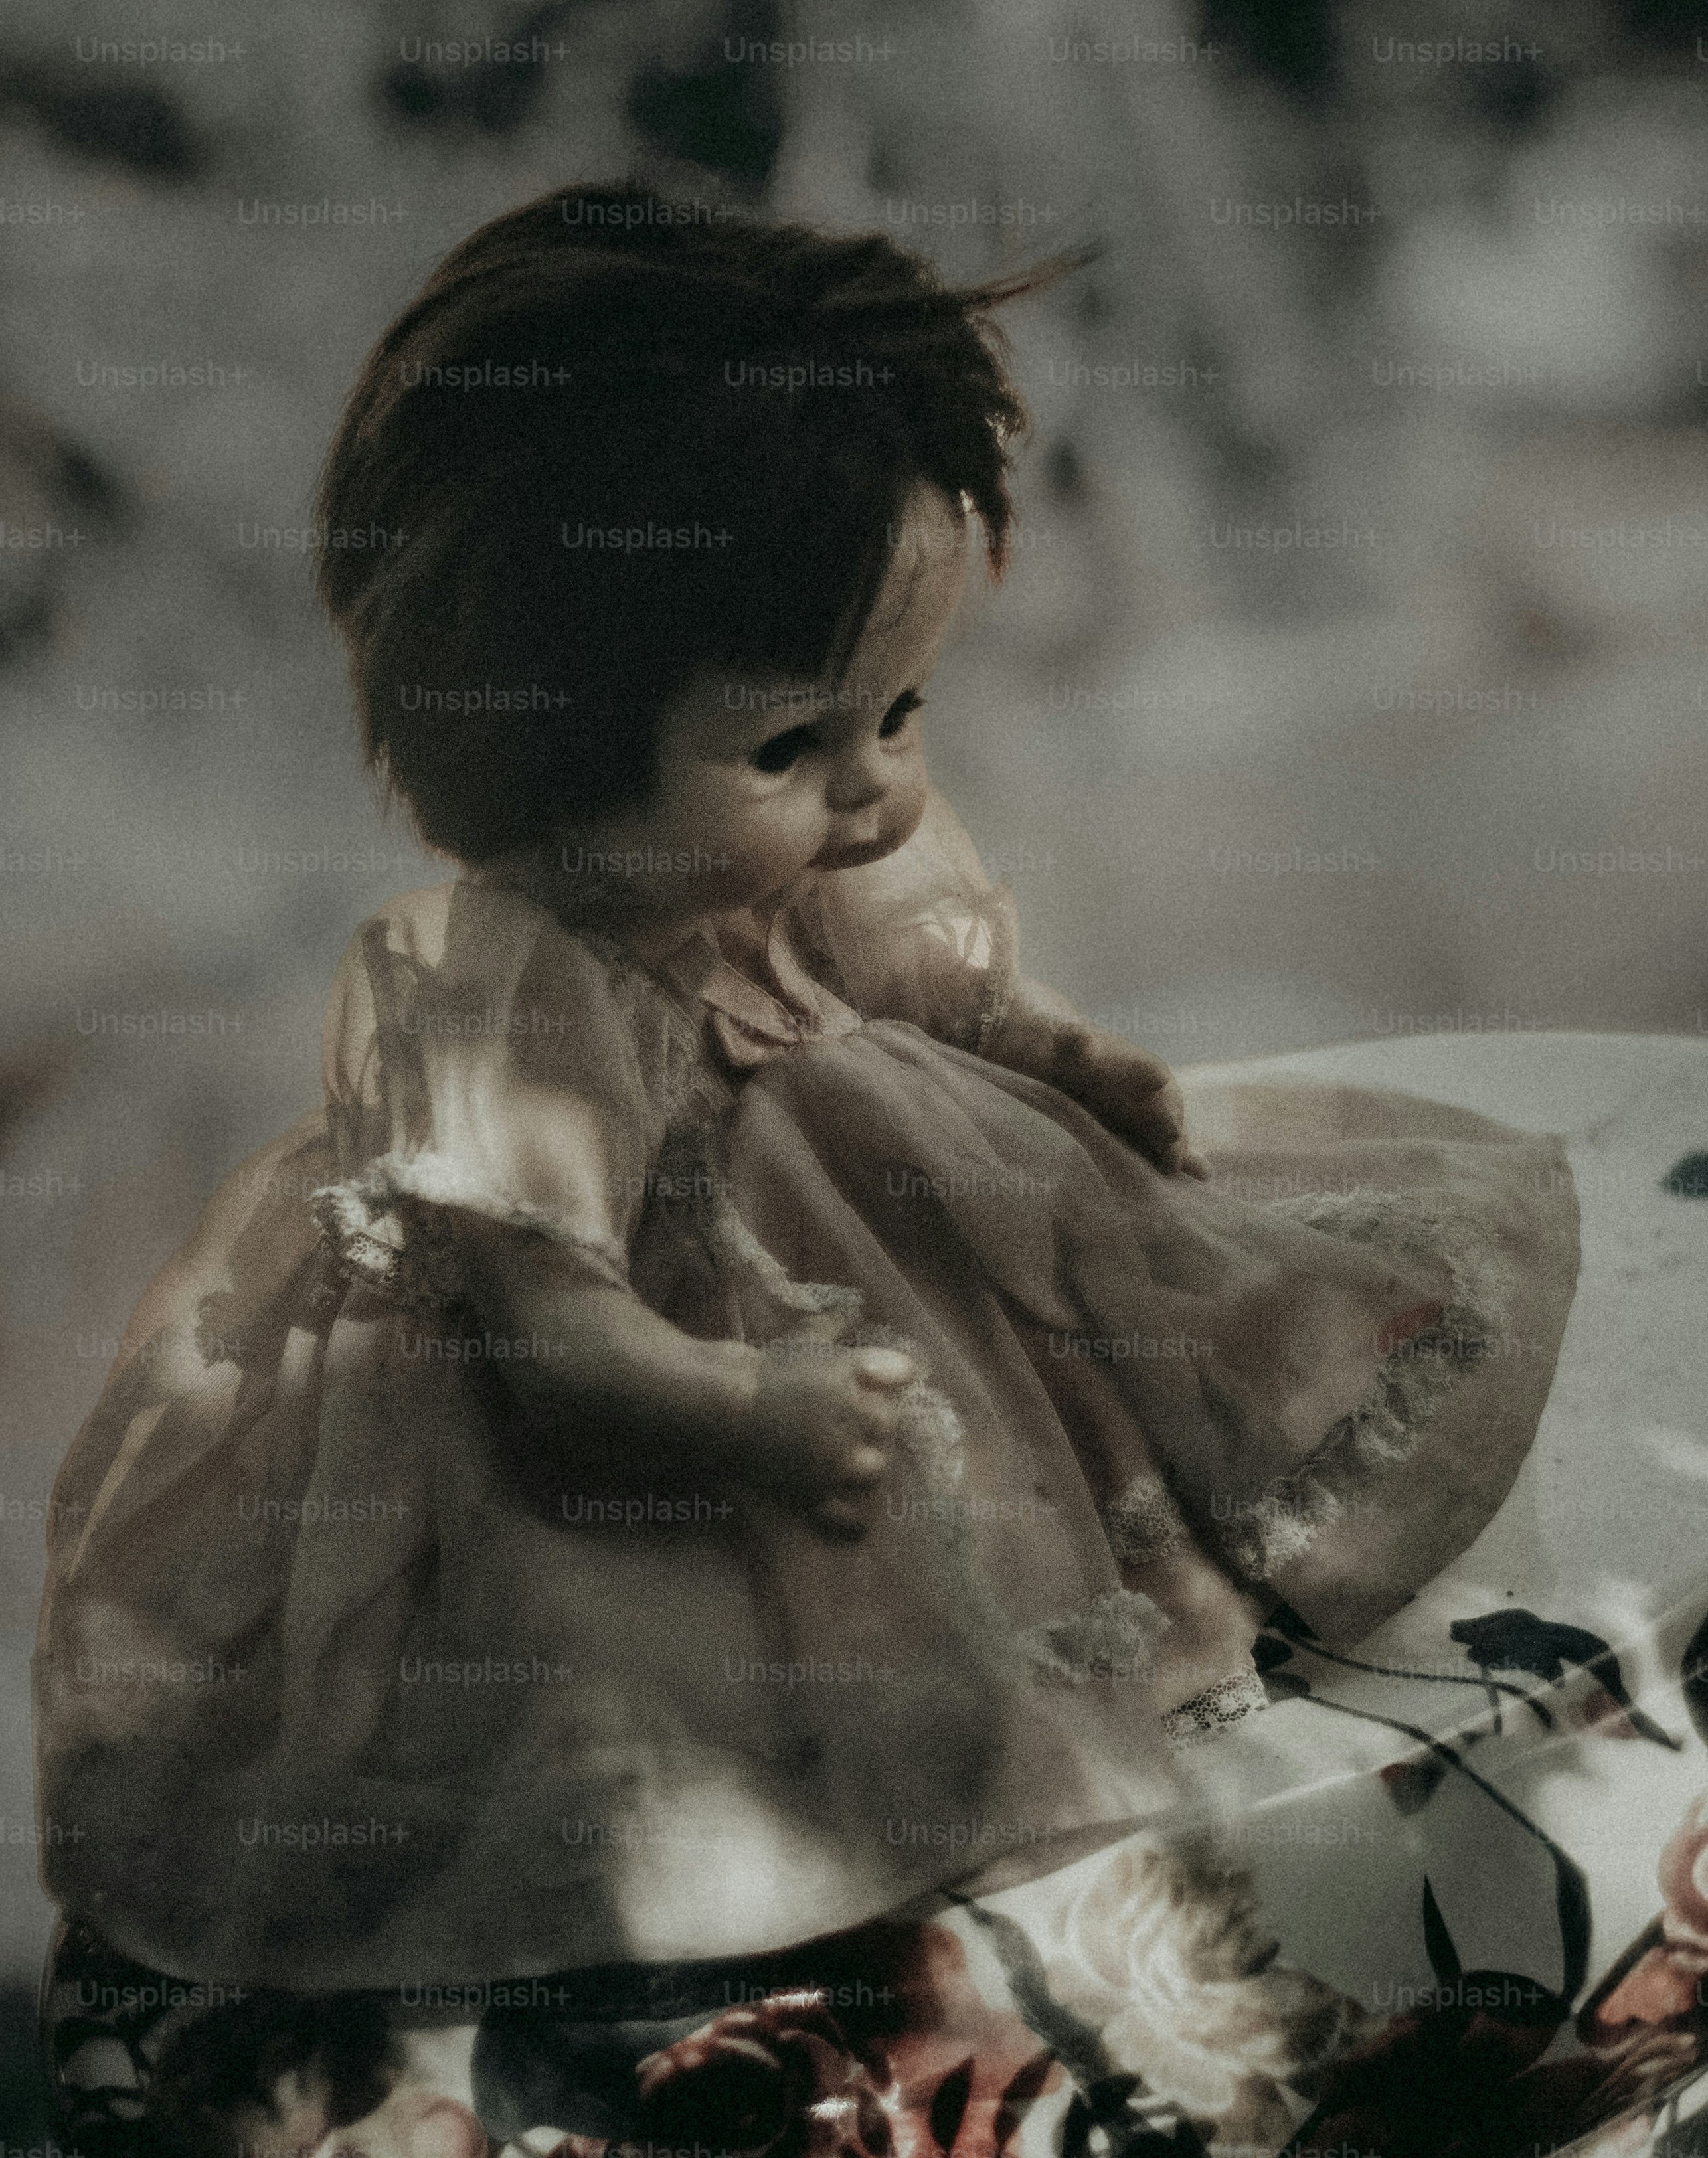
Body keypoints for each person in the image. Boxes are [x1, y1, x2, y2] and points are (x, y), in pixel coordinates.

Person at [33, 180, 1580, 1993]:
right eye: (793, 743)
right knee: (731, 1646)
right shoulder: (511, 992)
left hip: (903, 1250)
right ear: (540, 730)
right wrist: (736, 1404)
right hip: (651, 1411)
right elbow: (552, 1327)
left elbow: (929, 974)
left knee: (1110, 1358)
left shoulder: (790, 868)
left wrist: (1058, 1052)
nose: (875, 794)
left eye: (903, 714)